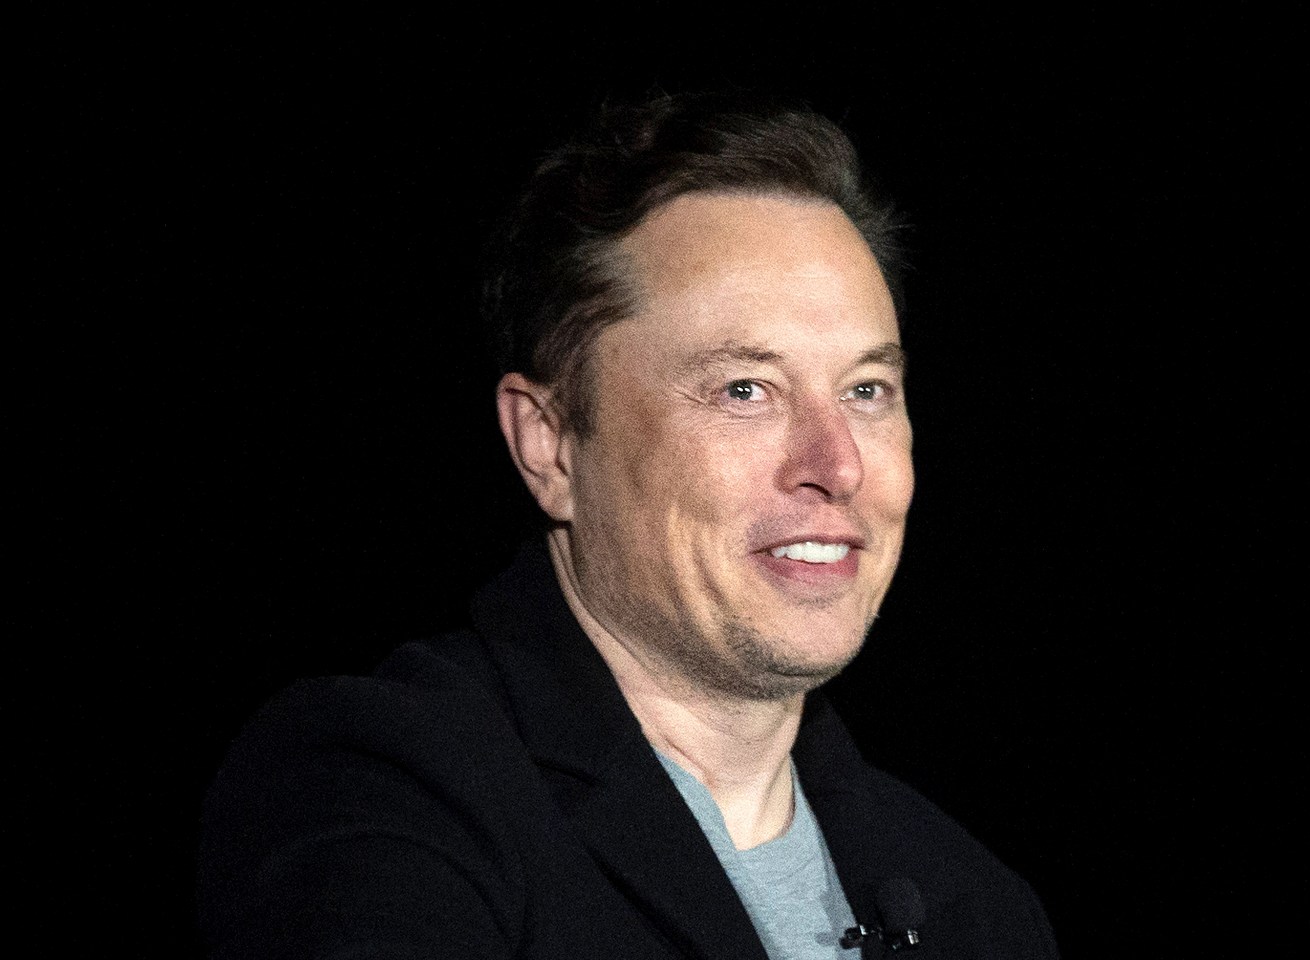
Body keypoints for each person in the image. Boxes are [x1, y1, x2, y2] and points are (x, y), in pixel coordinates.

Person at [198, 91, 1059, 959]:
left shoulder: (975, 907)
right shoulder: (383, 791)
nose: (837, 466)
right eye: (744, 390)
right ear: (551, 444)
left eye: (866, 390)